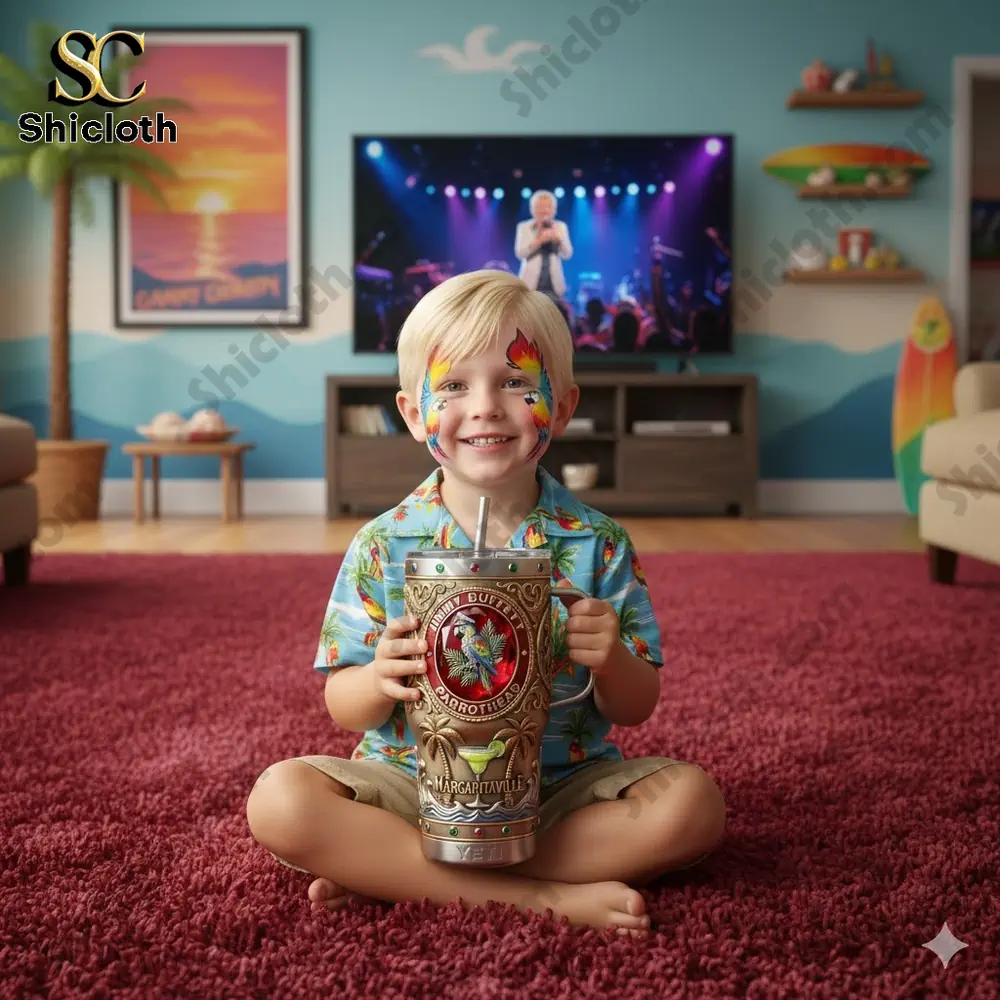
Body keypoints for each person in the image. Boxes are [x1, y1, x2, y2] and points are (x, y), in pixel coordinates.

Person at [246, 270, 726, 936]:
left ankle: (397, 875)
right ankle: (538, 896)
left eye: (515, 382)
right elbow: (343, 703)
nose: (485, 407)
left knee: (692, 806)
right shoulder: (381, 544)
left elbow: (636, 706)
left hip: (560, 789)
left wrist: (611, 656)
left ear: (562, 407)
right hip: (415, 787)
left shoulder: (599, 543)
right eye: (452, 386)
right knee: (281, 800)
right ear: (413, 413)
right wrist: (379, 678)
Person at [514, 190, 573, 302]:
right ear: (532, 209)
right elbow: (520, 253)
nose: (544, 210)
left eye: (548, 206)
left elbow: (567, 254)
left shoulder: (560, 226)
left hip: (554, 285)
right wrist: (539, 240)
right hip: (530, 284)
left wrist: (559, 239)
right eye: (540, 206)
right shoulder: (524, 227)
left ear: (554, 209)